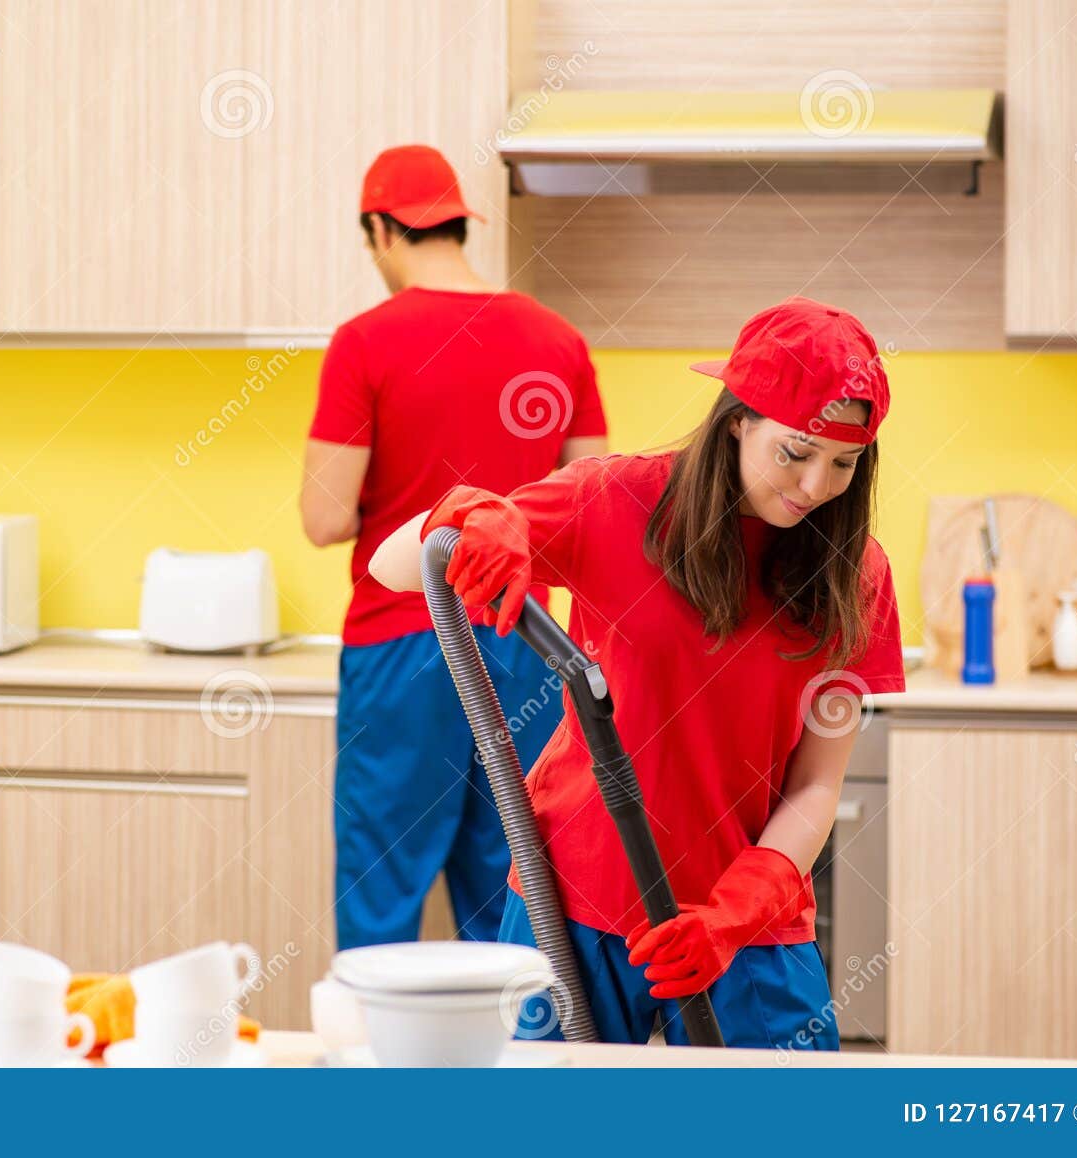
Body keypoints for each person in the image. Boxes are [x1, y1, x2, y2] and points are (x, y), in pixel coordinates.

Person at [368, 296, 905, 1048]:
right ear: (736, 423)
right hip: (578, 898)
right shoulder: (615, 500)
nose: (816, 486)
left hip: (748, 921)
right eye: (795, 452)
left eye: (843, 464)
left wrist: (730, 915)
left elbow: (817, 783)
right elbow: (391, 566)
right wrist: (474, 518)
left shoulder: (857, 575)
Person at [302, 144, 607, 950]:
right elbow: (593, 510)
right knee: (517, 893)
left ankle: (376, 1070)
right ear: (456, 226)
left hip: (403, 644)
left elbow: (324, 519)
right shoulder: (558, 340)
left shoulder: (365, 342)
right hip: (523, 643)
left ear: (380, 230)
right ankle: (520, 1071)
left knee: (382, 890)